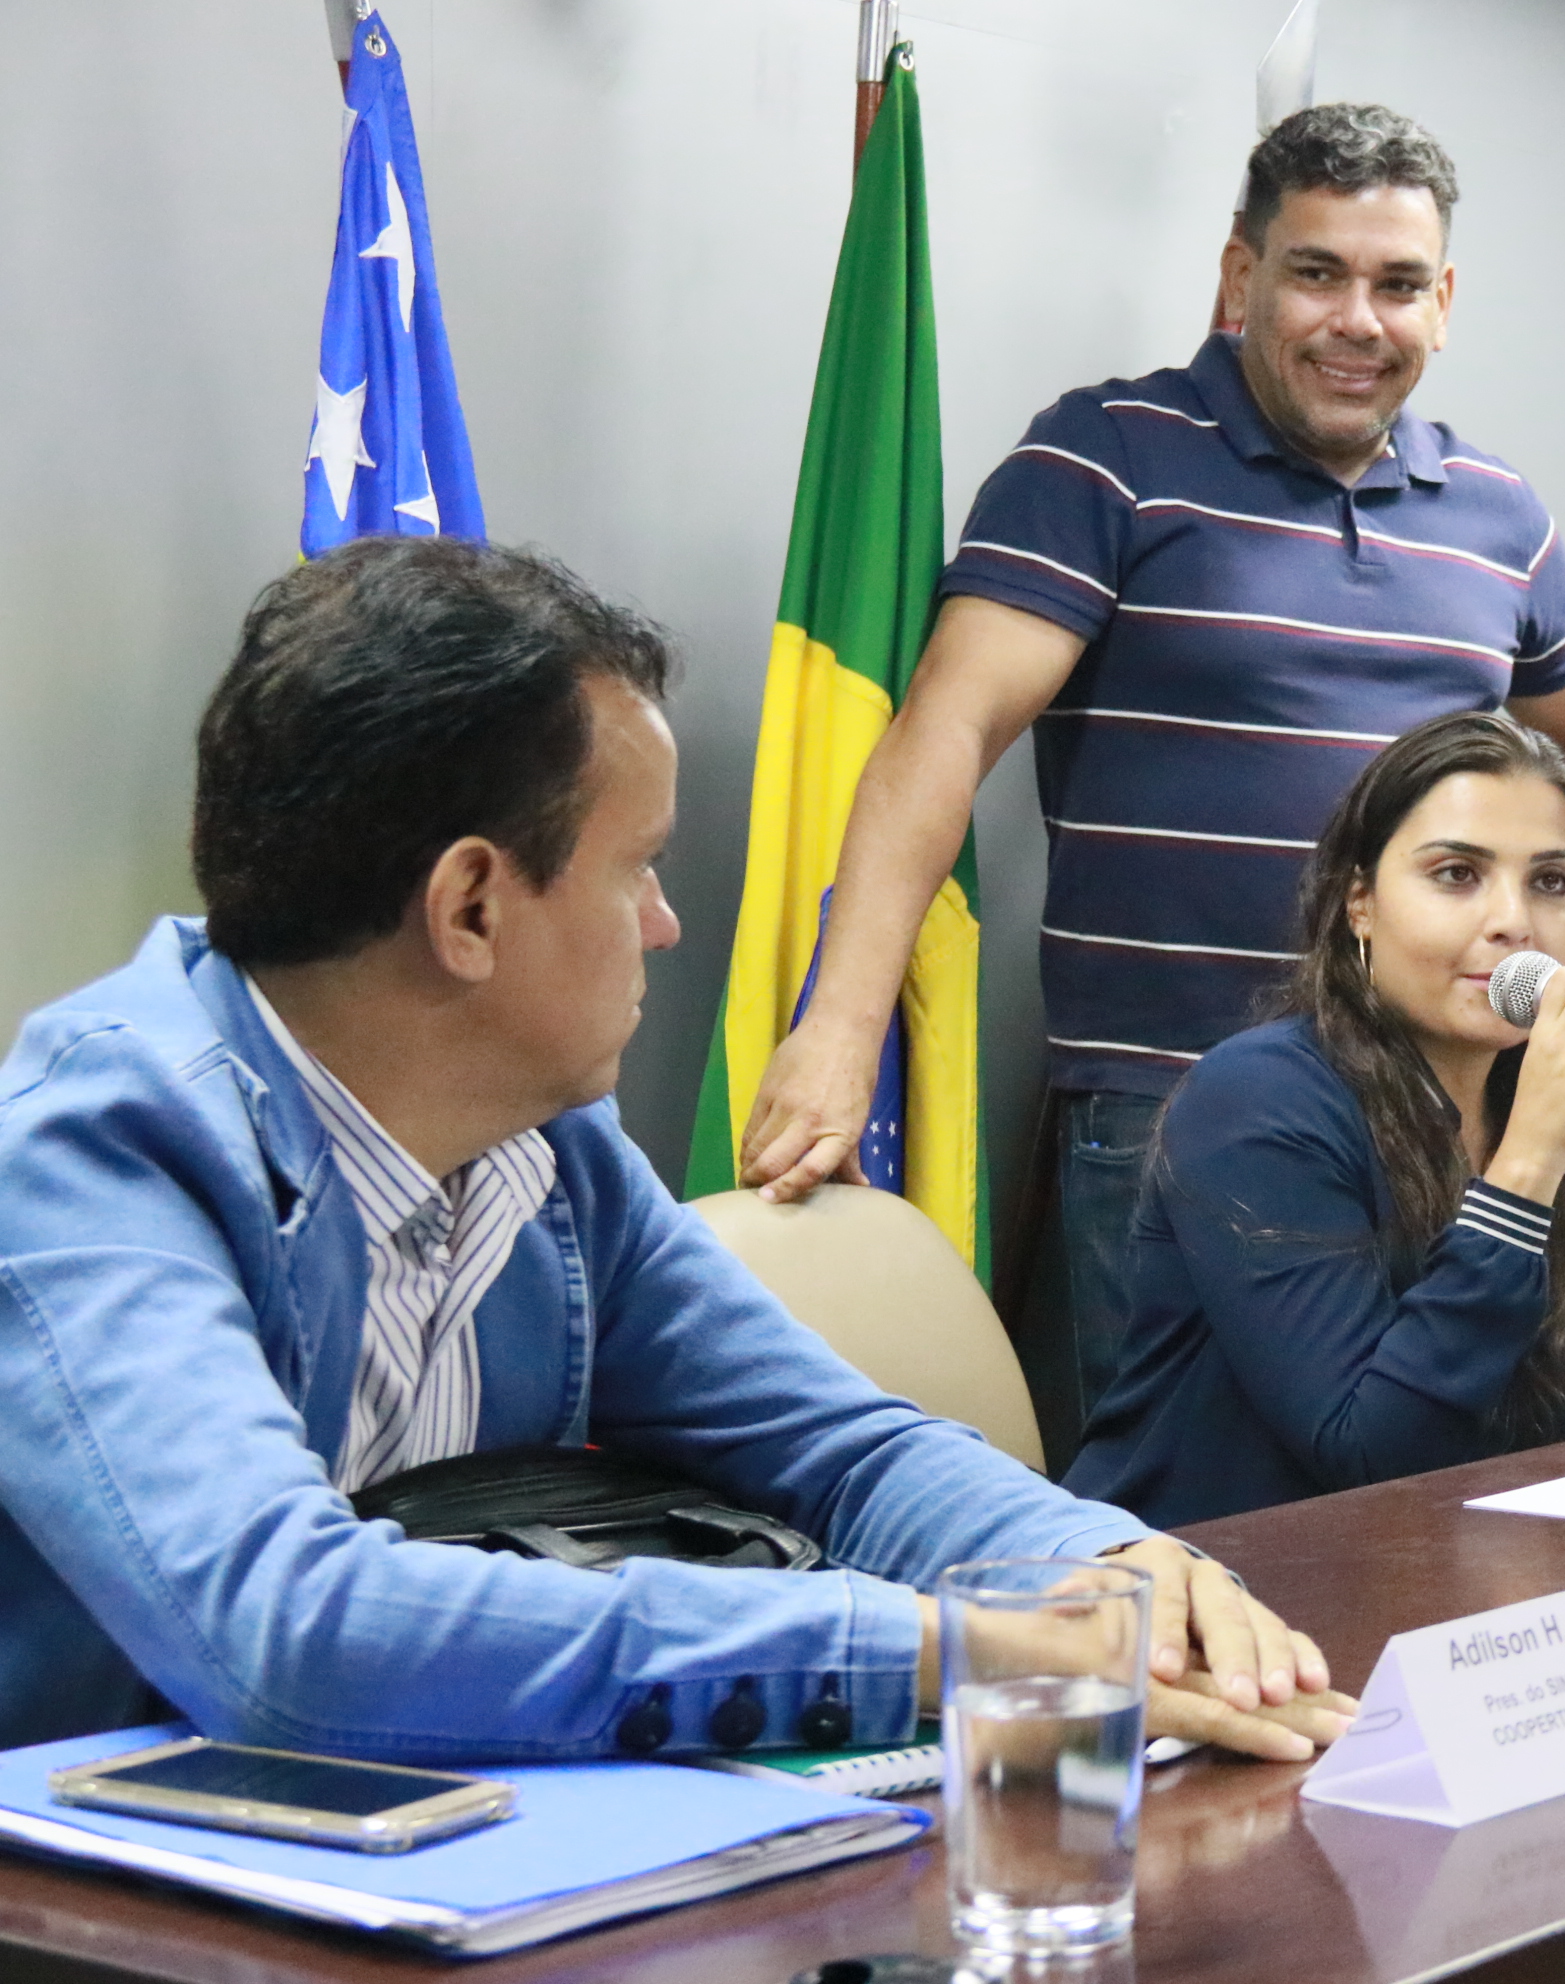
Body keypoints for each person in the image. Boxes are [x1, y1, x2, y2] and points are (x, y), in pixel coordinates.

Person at [0, 538, 1353, 1763]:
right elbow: (289, 1630)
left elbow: (839, 1452)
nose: (665, 921)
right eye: (635, 865)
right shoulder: (95, 1151)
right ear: (469, 908)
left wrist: (1097, 1563)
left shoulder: (550, 1147)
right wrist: (942, 1652)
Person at [736, 104, 1565, 1463]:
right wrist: (839, 1027)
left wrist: (1527, 962)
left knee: (1439, 1483)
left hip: (1434, 1111)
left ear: (1444, 303)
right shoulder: (1104, 456)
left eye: (1399, 285)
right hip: (1171, 1106)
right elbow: (944, 734)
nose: (1359, 320)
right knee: (1220, 1519)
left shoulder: (1498, 515)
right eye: (1317, 273)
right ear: (1240, 275)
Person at [1066, 713, 1565, 1524]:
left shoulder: (1539, 1100)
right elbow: (1372, 1456)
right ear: (1360, 903)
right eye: (1456, 874)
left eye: (1552, 882)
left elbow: (1560, 1433)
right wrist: (1525, 1170)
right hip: (1213, 1575)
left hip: (1450, 1572)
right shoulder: (1255, 1099)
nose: (1514, 921)